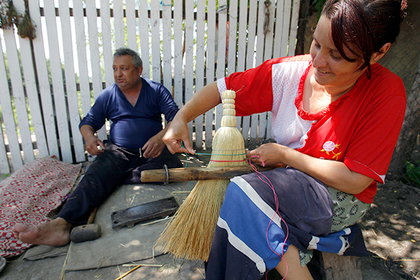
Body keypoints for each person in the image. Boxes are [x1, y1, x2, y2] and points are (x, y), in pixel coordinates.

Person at [163, 0, 407, 279]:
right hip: (287, 183)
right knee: (228, 192)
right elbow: (224, 89)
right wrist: (180, 118)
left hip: (338, 196)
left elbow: (355, 179)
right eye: (316, 44)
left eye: (336, 55)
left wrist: (285, 155)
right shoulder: (289, 73)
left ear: (378, 53)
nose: (317, 61)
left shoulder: (385, 93)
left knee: (246, 195)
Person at [12, 47, 182, 246]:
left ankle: (118, 177)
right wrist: (90, 139)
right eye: (115, 69)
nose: (118, 74)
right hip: (120, 152)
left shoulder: (155, 90)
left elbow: (176, 118)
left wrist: (161, 137)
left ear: (139, 70)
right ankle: (60, 225)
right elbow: (88, 123)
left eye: (124, 68)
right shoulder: (109, 95)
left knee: (170, 169)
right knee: (94, 177)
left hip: (153, 151)